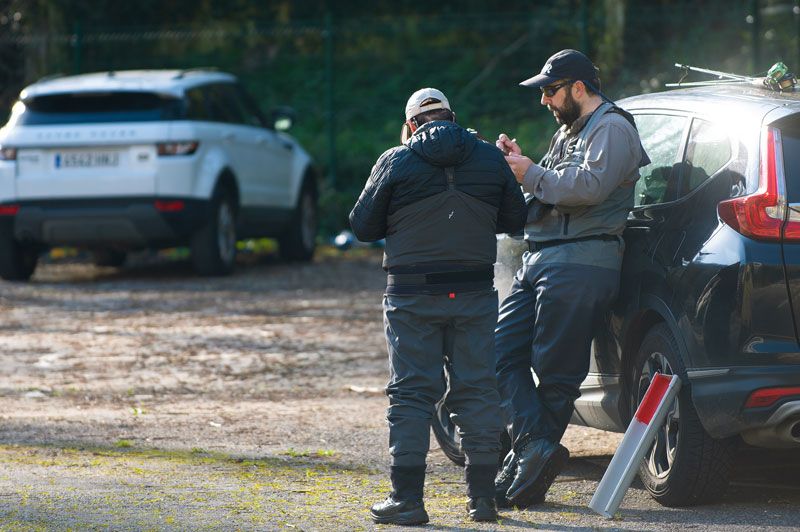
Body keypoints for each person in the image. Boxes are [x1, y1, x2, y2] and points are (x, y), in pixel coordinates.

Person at [350, 87, 527, 525]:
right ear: (452, 117)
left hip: (411, 296)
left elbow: (362, 226)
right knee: (478, 390)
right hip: (473, 293)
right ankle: (483, 499)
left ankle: (408, 500)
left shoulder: (395, 159)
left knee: (411, 393)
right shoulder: (488, 157)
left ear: (412, 124)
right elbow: (515, 221)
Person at [492, 49, 650, 509]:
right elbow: (555, 182)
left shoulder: (614, 128)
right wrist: (524, 165)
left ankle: (526, 471)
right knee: (500, 354)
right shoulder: (572, 128)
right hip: (543, 258)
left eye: (550, 90)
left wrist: (531, 173)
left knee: (558, 376)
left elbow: (587, 187)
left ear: (578, 88)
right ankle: (533, 450)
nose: (544, 100)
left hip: (581, 262)